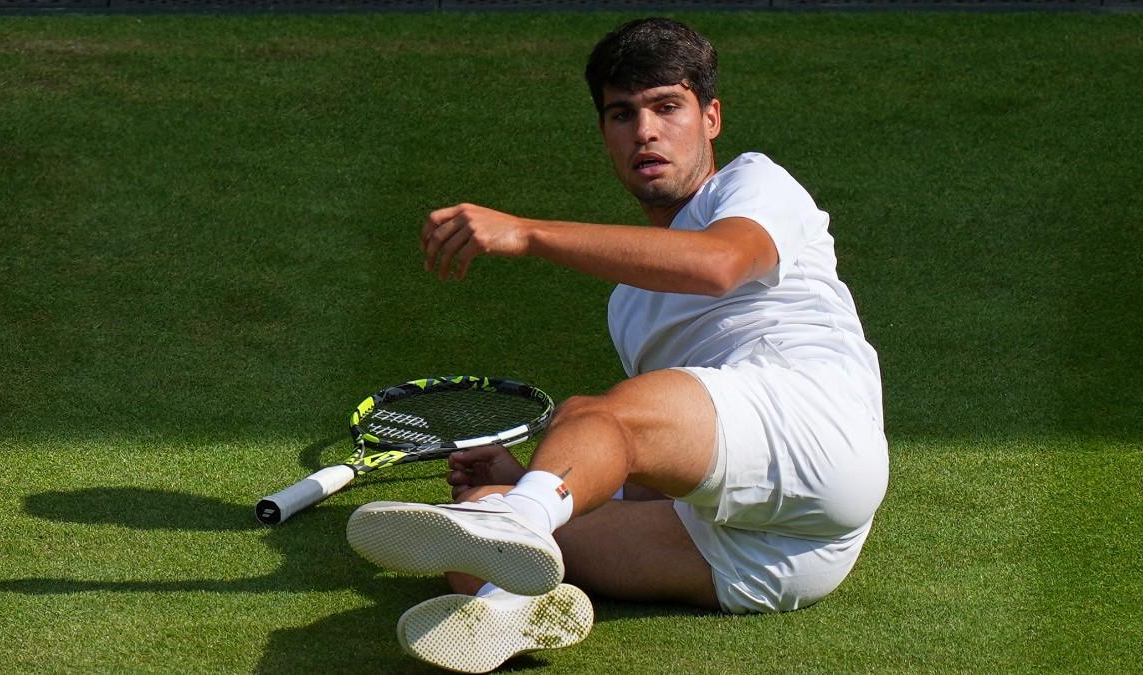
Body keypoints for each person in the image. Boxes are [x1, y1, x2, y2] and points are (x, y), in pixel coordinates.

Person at [346, 17, 888, 673]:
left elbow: (718, 264)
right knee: (472, 529)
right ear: (605, 134)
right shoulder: (629, 305)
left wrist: (526, 233)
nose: (646, 131)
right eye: (622, 114)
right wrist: (530, 479)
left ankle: (523, 518)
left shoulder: (753, 184)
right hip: (777, 559)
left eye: (667, 107)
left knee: (594, 413)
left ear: (711, 118)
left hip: (820, 437)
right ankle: (512, 604)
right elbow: (674, 459)